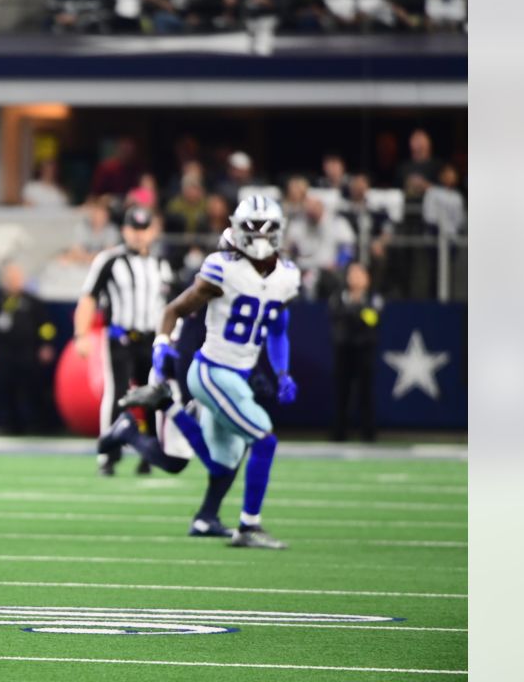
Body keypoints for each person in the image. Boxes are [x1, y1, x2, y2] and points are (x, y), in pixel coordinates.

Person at [133, 196, 301, 549]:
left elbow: (278, 329)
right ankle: (249, 527)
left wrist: (283, 371)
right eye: (251, 228)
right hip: (211, 371)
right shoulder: (222, 268)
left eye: (264, 228)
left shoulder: (286, 276)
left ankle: (167, 406)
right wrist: (161, 344)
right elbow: (174, 309)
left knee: (222, 463)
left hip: (235, 377)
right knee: (264, 439)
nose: (257, 236)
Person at [73, 205, 173, 476]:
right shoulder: (110, 260)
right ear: (124, 230)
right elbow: (89, 297)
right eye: (134, 229)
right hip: (120, 338)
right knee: (117, 394)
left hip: (152, 339)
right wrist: (81, 334)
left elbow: (171, 305)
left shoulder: (162, 263)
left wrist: (170, 338)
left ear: (153, 231)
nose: (139, 235)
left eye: (144, 229)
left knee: (152, 395)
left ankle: (150, 453)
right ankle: (108, 454)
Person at [0, 263, 58, 435]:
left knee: (31, 389)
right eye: (10, 279)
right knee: (4, 389)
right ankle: (5, 424)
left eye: (16, 278)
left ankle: (34, 424)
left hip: (28, 353)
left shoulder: (33, 302)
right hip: (3, 354)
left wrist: (46, 344)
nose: (13, 282)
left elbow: (46, 326)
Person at [329, 262, 380, 442]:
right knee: (342, 392)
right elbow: (336, 316)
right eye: (353, 274)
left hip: (364, 349)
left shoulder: (373, 297)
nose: (356, 278)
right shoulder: (339, 296)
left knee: (365, 393)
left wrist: (355, 311)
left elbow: (373, 319)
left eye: (360, 274)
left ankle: (368, 434)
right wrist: (357, 312)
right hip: (344, 349)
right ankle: (339, 433)